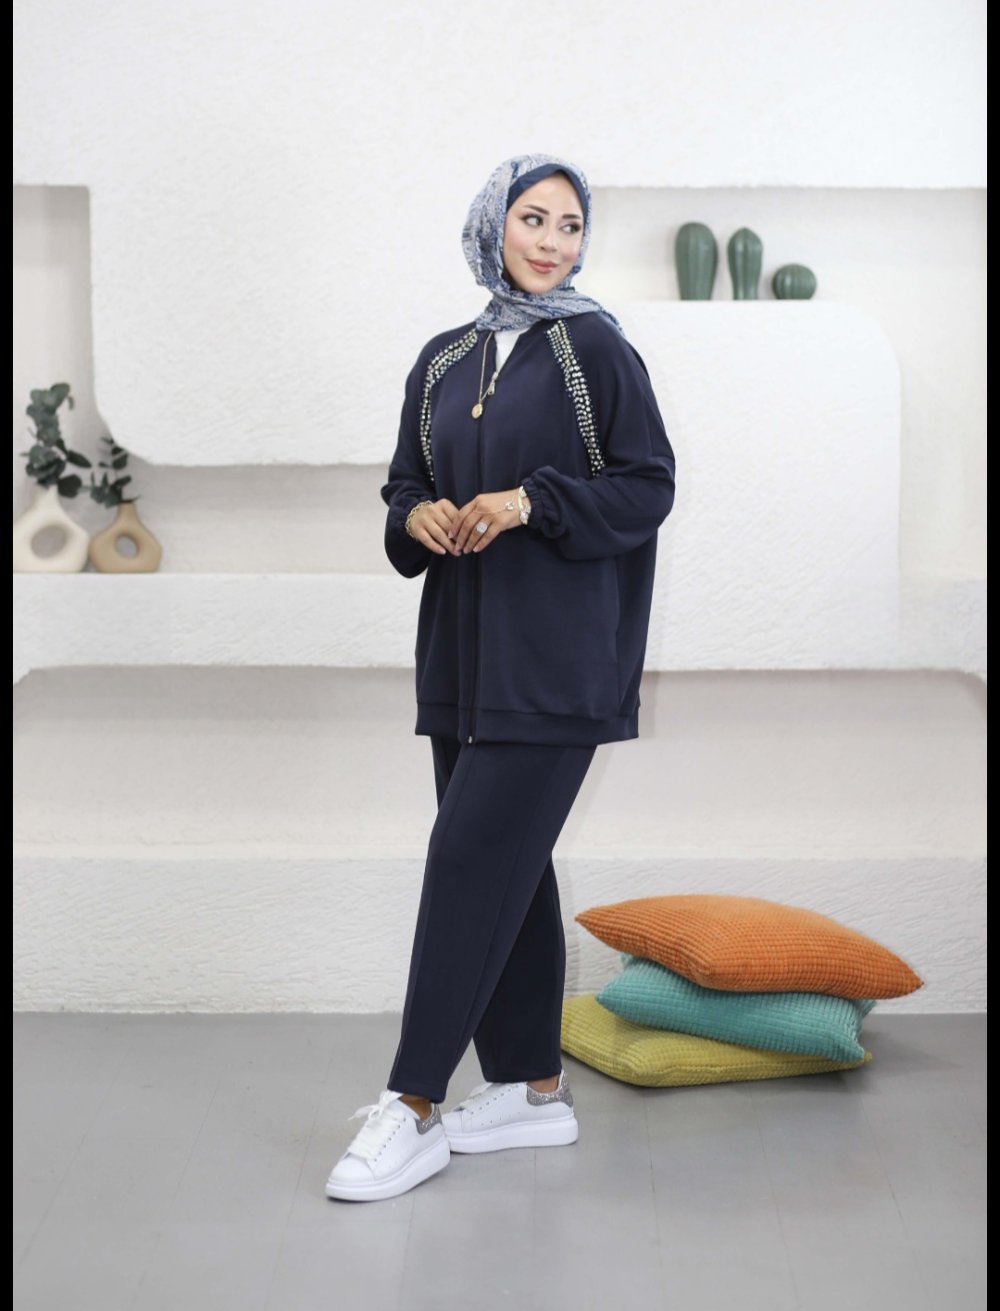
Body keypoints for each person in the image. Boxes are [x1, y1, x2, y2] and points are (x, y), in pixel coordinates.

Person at [326, 153, 676, 1202]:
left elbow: (648, 485)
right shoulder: (444, 358)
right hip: (463, 658)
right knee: (508, 873)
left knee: (468, 863)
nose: (553, 242)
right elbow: (403, 485)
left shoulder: (595, 346)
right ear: (493, 225)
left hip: (558, 659)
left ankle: (412, 1103)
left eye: (570, 224)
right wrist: (417, 516)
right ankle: (531, 1089)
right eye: (534, 218)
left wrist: (532, 502)